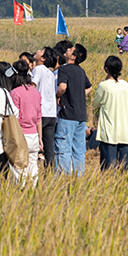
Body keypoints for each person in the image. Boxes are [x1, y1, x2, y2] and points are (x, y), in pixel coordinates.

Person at [55, 43, 91, 175]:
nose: (68, 49)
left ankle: (62, 179)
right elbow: (89, 87)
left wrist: (58, 96)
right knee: (79, 150)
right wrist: (78, 95)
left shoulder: (64, 69)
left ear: (73, 56)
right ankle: (78, 177)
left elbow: (62, 87)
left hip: (67, 114)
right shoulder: (81, 71)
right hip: (81, 115)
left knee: (63, 148)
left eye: (71, 49)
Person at [93, 56, 128, 170]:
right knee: (124, 166)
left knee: (109, 168)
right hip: (124, 132)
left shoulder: (104, 85)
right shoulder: (125, 85)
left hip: (109, 132)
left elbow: (95, 103)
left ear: (106, 69)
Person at [10, 60, 42, 185]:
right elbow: (39, 117)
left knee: (18, 171)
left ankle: (20, 193)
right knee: (33, 168)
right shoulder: (36, 92)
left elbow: (14, 118)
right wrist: (40, 137)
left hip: (20, 136)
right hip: (34, 136)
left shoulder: (15, 93)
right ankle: (33, 192)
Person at [32, 47, 59, 168]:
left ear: (43, 58)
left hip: (40, 113)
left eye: (40, 51)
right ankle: (50, 172)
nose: (37, 51)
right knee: (49, 149)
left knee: (33, 145)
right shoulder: (50, 73)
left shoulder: (38, 69)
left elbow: (33, 88)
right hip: (51, 114)